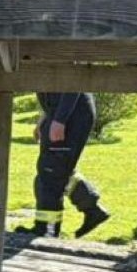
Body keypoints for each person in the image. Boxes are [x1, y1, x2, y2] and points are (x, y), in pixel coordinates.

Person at [19, 92, 111, 239]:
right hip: (59, 113)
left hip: (70, 116)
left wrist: (60, 120)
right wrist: (46, 117)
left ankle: (47, 231)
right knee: (54, 170)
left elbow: (73, 83)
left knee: (51, 172)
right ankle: (92, 210)